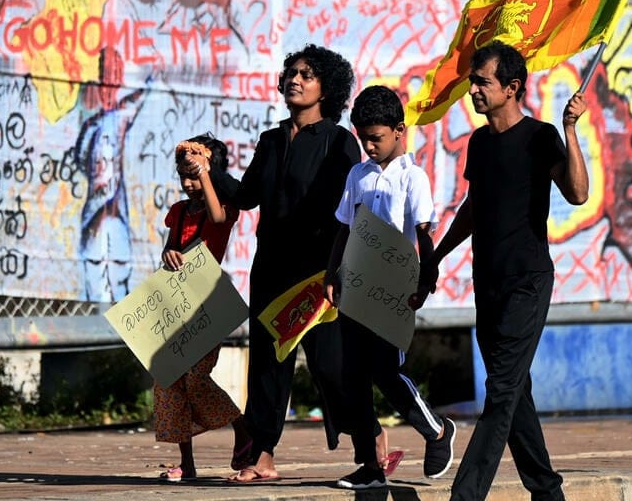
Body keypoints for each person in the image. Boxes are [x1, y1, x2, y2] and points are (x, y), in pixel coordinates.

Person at [414, 40, 588, 501]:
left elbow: (578, 193)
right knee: (515, 393)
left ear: (512, 88)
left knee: (501, 391)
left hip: (527, 283)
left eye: (482, 82)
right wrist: (436, 255)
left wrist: (571, 131)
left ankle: (466, 495)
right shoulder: (480, 142)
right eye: (473, 81)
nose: (473, 89)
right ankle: (547, 491)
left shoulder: (539, 136)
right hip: (487, 283)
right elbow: (474, 207)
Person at [202, 44, 372, 484]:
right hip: (272, 267)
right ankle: (263, 455)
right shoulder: (272, 139)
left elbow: (352, 206)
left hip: (319, 273)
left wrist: (341, 268)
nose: (295, 79)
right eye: (291, 72)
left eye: (307, 74)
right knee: (267, 364)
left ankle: (370, 441)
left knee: (331, 366)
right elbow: (245, 197)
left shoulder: (339, 143)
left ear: (326, 88)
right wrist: (211, 169)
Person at [323, 85, 458, 490]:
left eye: (376, 138)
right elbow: (344, 229)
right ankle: (369, 464)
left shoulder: (412, 177)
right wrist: (332, 274)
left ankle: (436, 431)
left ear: (399, 131)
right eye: (362, 138)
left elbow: (424, 233)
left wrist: (426, 277)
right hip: (355, 289)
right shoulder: (357, 175)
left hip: (393, 292)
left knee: (386, 371)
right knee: (353, 378)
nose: (368, 146)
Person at [152, 135, 252, 482]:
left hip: (209, 303)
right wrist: (169, 255)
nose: (189, 184)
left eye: (195, 175)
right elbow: (170, 249)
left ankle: (242, 426)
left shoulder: (222, 204)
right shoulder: (178, 213)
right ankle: (187, 463)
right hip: (179, 303)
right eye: (184, 176)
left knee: (196, 379)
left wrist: (207, 175)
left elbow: (217, 217)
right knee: (170, 378)